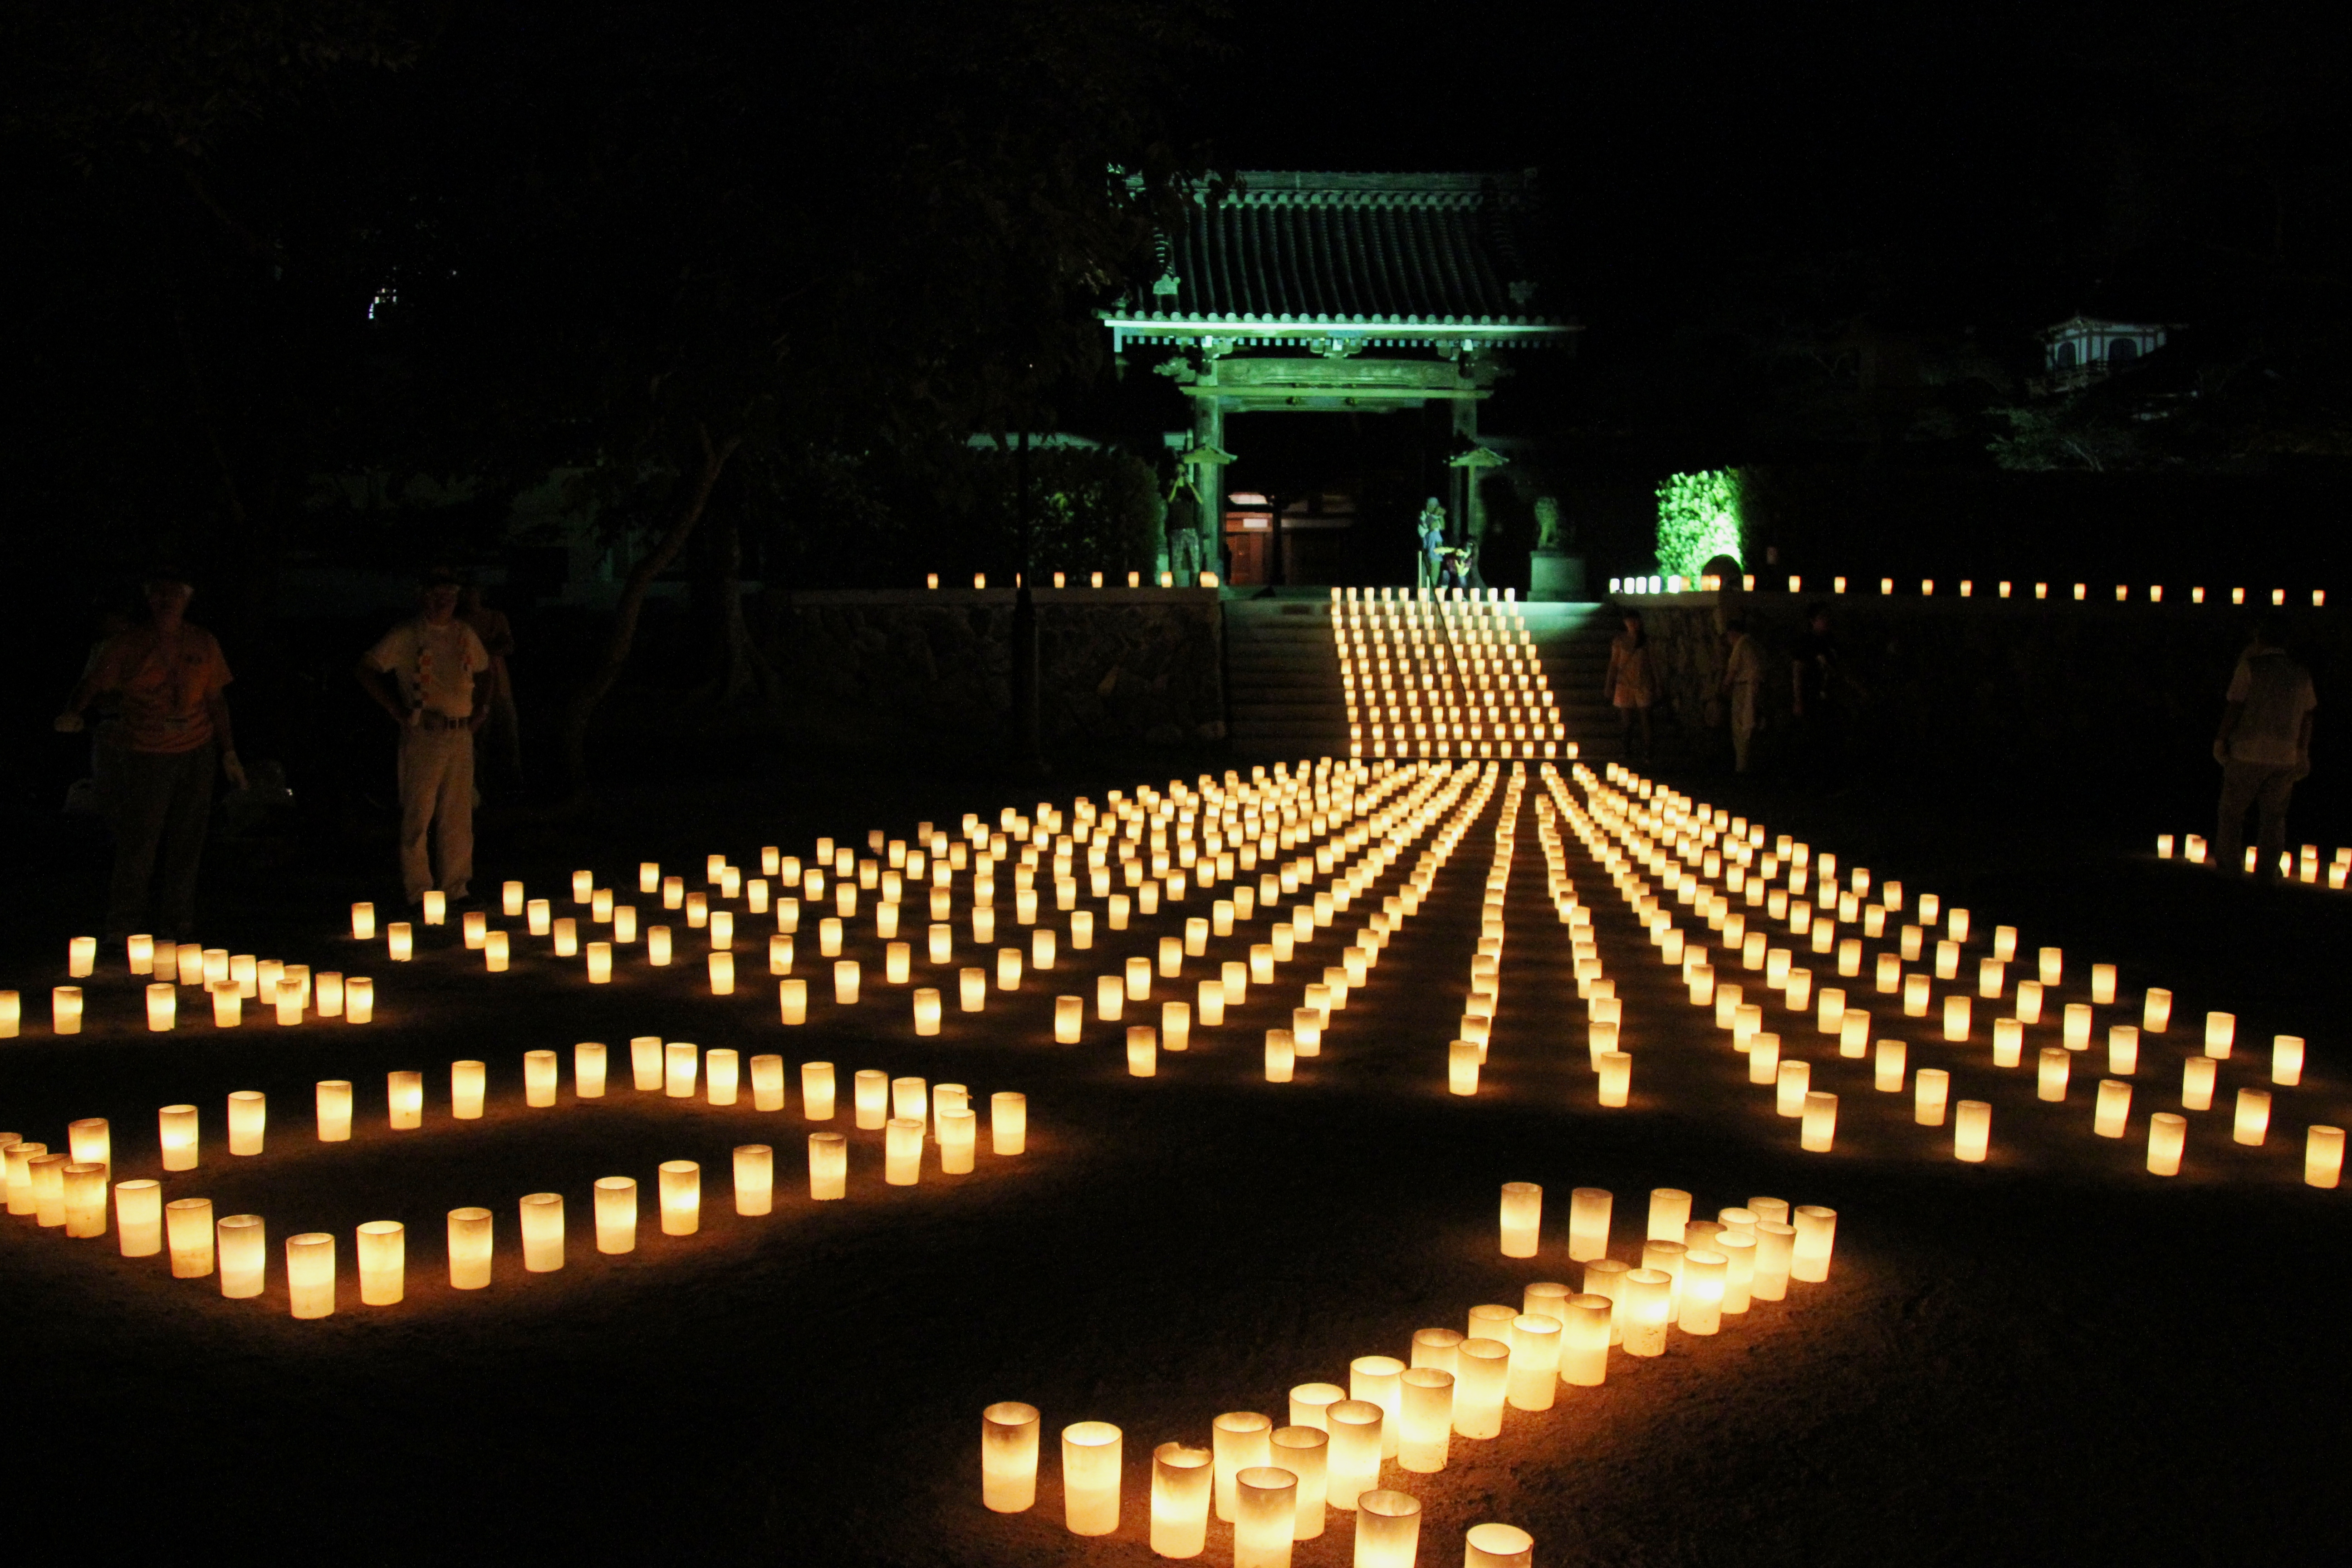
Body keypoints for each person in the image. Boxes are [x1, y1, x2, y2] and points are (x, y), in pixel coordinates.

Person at [54, 567, 245, 940]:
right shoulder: (127, 644)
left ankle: (178, 920)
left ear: (187, 600)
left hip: (196, 751)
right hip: (145, 753)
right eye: (159, 594)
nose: (166, 601)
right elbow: (92, 683)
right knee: (140, 839)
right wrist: (73, 711)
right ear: (149, 599)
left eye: (174, 595)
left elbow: (216, 699)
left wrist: (229, 752)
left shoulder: (203, 642)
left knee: (188, 839)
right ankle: (124, 922)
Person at [357, 568, 491, 906]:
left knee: (458, 815)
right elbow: (367, 668)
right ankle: (418, 892)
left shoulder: (464, 634)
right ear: (423, 596)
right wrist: (398, 711)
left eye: (450, 594)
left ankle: (456, 888)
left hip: (461, 734)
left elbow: (485, 670)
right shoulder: (407, 635)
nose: (443, 601)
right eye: (437, 594)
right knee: (419, 814)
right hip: (425, 736)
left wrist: (482, 709)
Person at [2212, 617, 2315, 879]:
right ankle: (2268, 872)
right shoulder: (2300, 673)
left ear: (2260, 639)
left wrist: (2221, 740)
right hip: (2285, 756)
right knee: (2274, 817)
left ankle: (2230, 868)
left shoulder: (2251, 667)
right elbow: (2308, 715)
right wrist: (2302, 751)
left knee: (2232, 814)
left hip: (2248, 751)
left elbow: (2235, 707)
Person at [459, 581, 522, 789]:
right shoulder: (459, 623)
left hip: (501, 688)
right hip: (474, 691)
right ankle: (479, 785)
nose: (470, 596)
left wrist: (482, 648)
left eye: (473, 591)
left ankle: (514, 783)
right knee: (479, 740)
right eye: (466, 592)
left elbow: (508, 646)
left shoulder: (496, 617)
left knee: (509, 737)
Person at [1789, 603, 1845, 779]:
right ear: (1812, 621)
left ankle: (1827, 776)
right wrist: (1798, 700)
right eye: (1822, 617)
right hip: (1811, 696)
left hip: (1829, 695)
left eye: (1828, 616)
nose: (1826, 620)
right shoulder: (1807, 642)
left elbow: (1840, 669)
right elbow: (1798, 670)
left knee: (1830, 737)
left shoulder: (1831, 642)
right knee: (1813, 738)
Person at [1604, 609, 1656, 760]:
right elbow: (1614, 664)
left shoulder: (1646, 642)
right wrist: (1609, 684)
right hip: (1624, 684)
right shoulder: (1619, 641)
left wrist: (1658, 684)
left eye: (1635, 620)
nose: (1632, 624)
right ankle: (1626, 750)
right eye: (1629, 620)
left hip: (1643, 683)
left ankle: (1648, 751)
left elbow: (1653, 664)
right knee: (1626, 720)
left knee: (1645, 719)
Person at [1720, 610, 1764, 773]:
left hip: (1745, 690)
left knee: (1742, 728)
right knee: (1750, 726)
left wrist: (1725, 687)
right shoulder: (1753, 645)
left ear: (1732, 633)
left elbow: (1733, 671)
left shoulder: (1742, 646)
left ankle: (1742, 767)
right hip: (1754, 688)